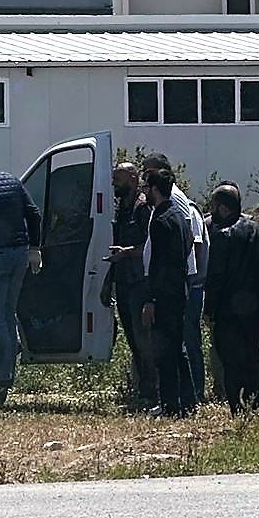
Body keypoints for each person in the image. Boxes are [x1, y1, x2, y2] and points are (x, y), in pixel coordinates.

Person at [140, 152, 208, 406]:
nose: (143, 192)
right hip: (177, 290)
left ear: (155, 189)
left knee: (165, 351)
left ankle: (170, 403)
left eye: (146, 186)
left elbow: (159, 264)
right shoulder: (177, 215)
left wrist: (152, 299)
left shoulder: (161, 219)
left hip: (165, 293)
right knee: (177, 349)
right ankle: (186, 400)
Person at [203, 182, 259, 413]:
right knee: (253, 355)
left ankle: (238, 407)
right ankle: (257, 403)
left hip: (229, 310)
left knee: (231, 360)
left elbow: (216, 277)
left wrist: (209, 309)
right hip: (254, 309)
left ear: (222, 208)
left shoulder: (222, 236)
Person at [0, 164, 43, 397]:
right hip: (20, 254)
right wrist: (35, 247)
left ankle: (0, 376)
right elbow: (34, 214)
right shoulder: (12, 180)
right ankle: (8, 372)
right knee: (8, 313)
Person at [106, 162, 157, 409]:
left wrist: (126, 253)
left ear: (133, 178)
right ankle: (143, 390)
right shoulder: (122, 208)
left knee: (144, 340)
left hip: (140, 283)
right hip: (124, 283)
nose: (114, 182)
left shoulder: (143, 206)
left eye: (119, 178)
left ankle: (152, 393)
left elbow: (150, 245)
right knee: (134, 342)